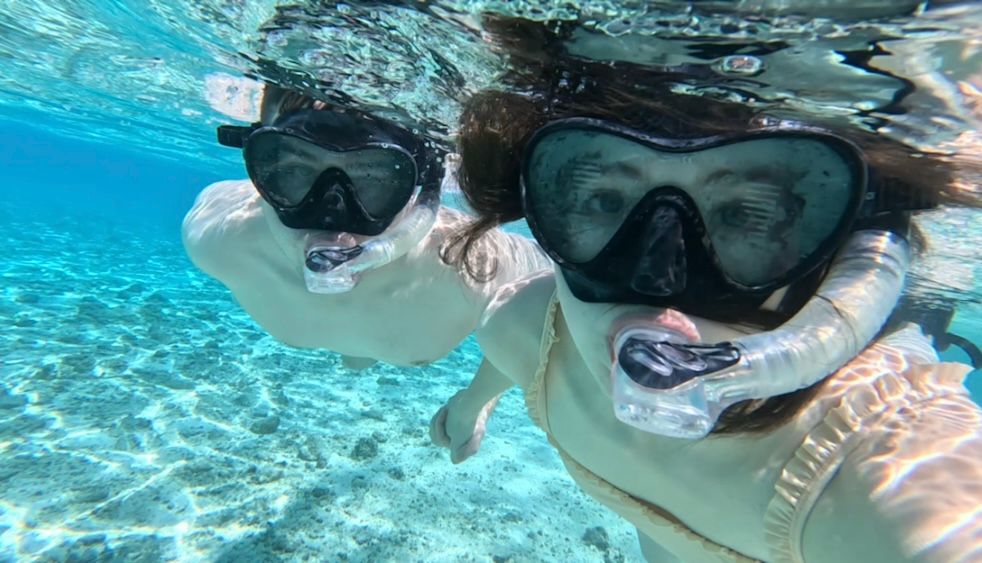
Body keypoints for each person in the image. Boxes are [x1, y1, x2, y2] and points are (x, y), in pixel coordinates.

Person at [429, 77, 982, 562]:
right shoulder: (522, 326)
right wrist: (472, 404)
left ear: (848, 257)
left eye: (744, 215)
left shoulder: (889, 468)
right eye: (603, 202)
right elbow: (517, 355)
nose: (658, 279)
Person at [182, 85, 550, 369]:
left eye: (374, 179)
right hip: (384, 338)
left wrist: (476, 402)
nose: (332, 211)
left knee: (362, 356)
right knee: (360, 355)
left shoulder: (472, 269)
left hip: (389, 334)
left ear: (424, 190)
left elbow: (540, 306)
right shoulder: (220, 240)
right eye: (293, 171)